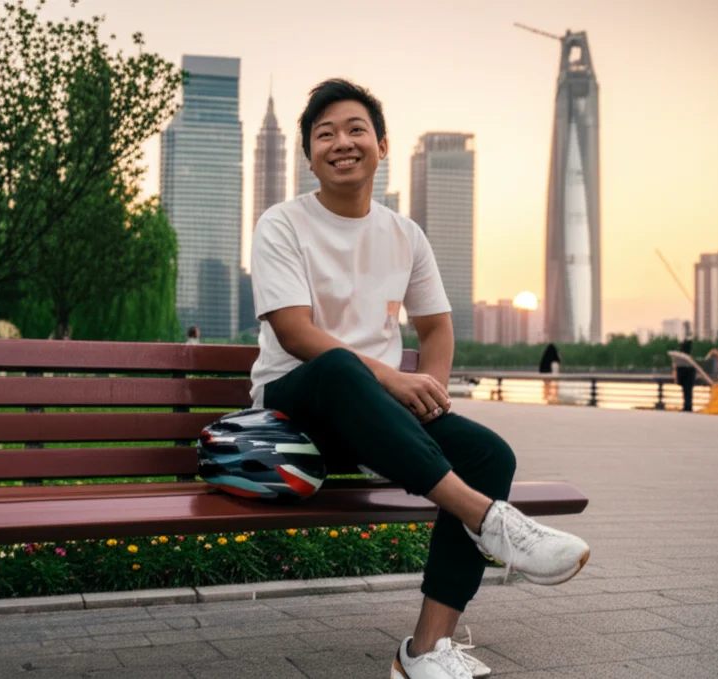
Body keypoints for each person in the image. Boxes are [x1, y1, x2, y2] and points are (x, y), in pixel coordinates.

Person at [249, 80, 589, 679]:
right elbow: (296, 334)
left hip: (373, 417)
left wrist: (426, 394)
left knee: (488, 452)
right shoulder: (282, 224)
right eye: (324, 134)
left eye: (355, 129)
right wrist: (392, 382)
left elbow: (436, 330)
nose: (341, 142)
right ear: (309, 157)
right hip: (295, 413)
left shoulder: (404, 234)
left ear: (381, 144)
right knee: (337, 366)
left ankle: (425, 651)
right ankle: (492, 522)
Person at [675, 338, 697, 412]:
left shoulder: (683, 356)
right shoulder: (687, 356)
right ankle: (687, 406)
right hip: (688, 374)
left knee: (687, 391)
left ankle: (687, 406)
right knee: (688, 391)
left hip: (686, 374)